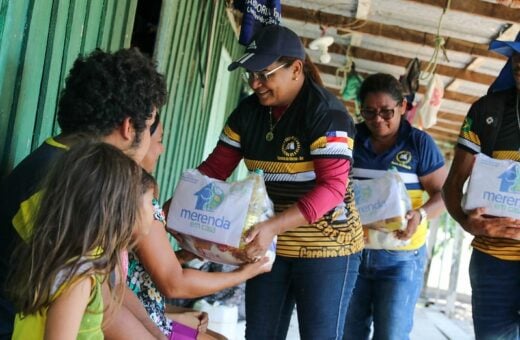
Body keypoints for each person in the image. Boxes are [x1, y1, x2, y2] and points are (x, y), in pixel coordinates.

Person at [197, 25, 363, 340]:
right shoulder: (248, 113)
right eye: (251, 75)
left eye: (265, 74)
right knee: (260, 334)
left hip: (326, 245)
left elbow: (332, 189)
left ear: (296, 69)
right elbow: (215, 170)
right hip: (270, 245)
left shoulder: (326, 114)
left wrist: (273, 225)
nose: (256, 83)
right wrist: (165, 213)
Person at [0, 48, 167, 339]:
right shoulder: (71, 187)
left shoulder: (62, 163)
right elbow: (99, 310)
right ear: (129, 127)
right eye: (151, 127)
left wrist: (158, 331)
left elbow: (107, 288)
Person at [126, 113, 271, 339]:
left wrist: (182, 258)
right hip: (140, 317)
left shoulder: (126, 187)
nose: (161, 149)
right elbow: (174, 285)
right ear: (132, 132)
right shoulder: (137, 196)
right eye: (159, 140)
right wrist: (245, 273)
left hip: (144, 310)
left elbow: (133, 273)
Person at [7, 141, 157, 339]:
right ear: (116, 211)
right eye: (148, 202)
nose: (153, 211)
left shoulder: (67, 259)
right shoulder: (78, 277)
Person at [344, 73, 447, 340]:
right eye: (369, 112)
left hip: (400, 260)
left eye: (387, 111)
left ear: (403, 107)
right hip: (351, 253)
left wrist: (421, 214)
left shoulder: (419, 144)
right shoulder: (351, 139)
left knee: (391, 335)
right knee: (347, 333)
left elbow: (444, 194)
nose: (378, 119)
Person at [442, 35, 520, 339]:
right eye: (516, 60)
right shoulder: (489, 112)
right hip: (493, 263)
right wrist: (466, 221)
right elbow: (452, 186)